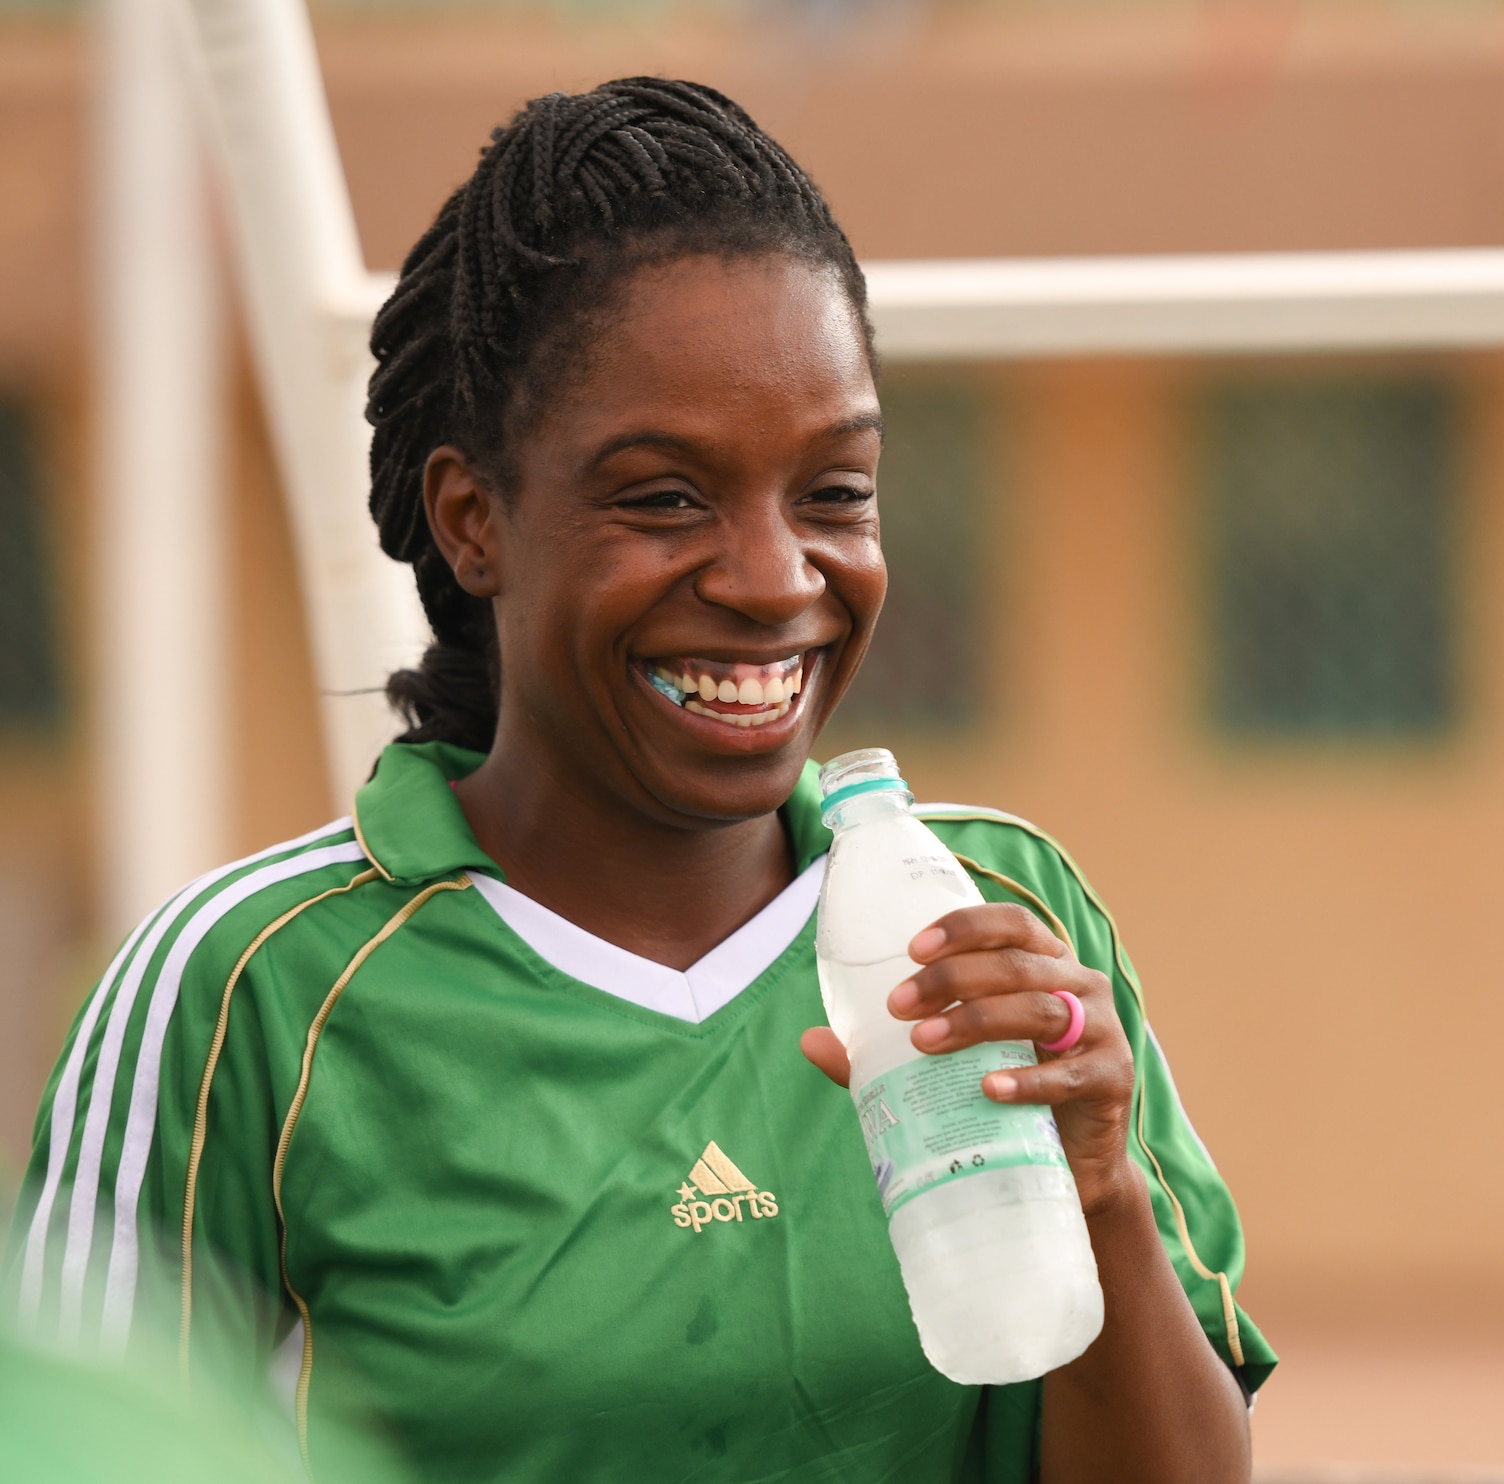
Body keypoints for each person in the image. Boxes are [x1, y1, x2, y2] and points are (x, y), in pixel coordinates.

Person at [6, 79, 1274, 1482]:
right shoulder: (242, 991)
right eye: (665, 496)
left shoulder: (995, 925)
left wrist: (1099, 1192)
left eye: (835, 492)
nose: (777, 579)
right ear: (472, 520)